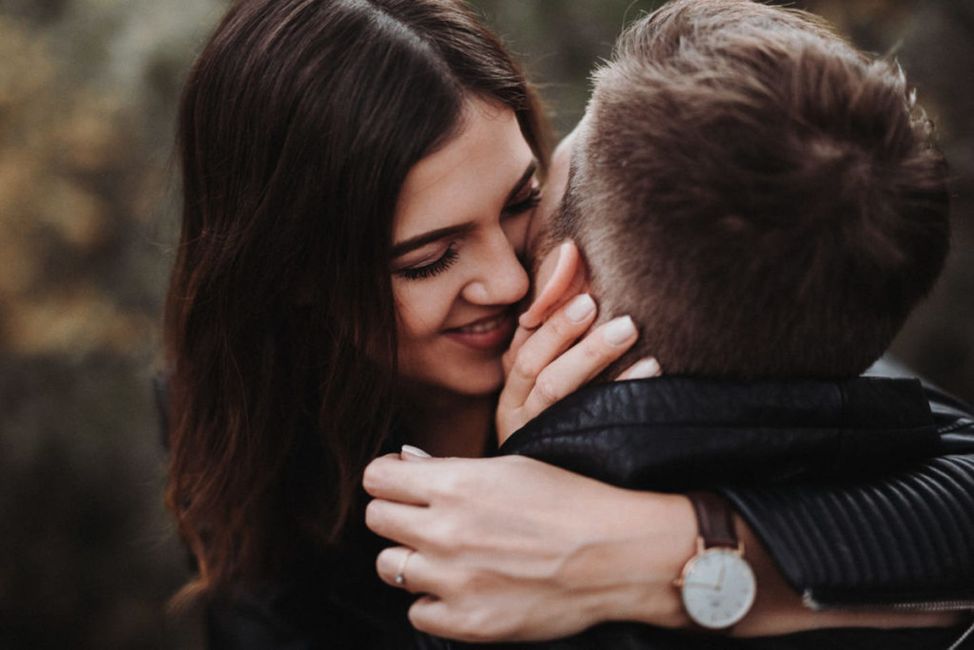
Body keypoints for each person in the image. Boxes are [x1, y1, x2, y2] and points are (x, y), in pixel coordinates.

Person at [162, 0, 974, 648]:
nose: (511, 279)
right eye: (428, 259)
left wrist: (656, 541)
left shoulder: (643, 369)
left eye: (520, 202)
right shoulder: (241, 434)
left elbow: (949, 465)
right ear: (294, 278)